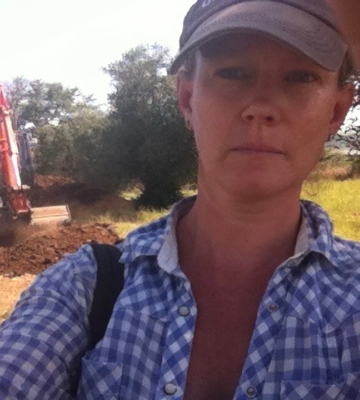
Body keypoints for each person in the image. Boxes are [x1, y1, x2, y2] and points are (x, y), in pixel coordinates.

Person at [0, 0, 360, 399]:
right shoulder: (87, 288)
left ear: (337, 111)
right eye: (233, 72)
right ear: (187, 98)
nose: (261, 107)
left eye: (300, 77)